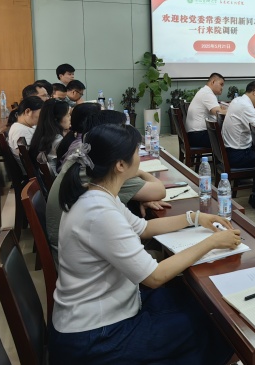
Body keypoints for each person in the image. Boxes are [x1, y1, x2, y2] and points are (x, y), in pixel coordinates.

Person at [48, 124, 238, 365]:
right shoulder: (99, 212)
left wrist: (195, 218)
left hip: (110, 312)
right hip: (95, 336)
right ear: (120, 165)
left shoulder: (97, 193)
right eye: (137, 151)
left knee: (201, 303)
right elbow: (155, 277)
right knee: (217, 325)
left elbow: (144, 228)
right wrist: (212, 242)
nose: (140, 156)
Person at [47, 110, 169, 261]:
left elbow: (142, 227)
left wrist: (192, 218)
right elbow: (159, 191)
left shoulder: (86, 159)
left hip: (74, 251)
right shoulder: (104, 177)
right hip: (84, 258)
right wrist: (138, 176)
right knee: (165, 250)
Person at [29, 98, 71, 174]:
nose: (70, 118)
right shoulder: (57, 140)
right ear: (56, 118)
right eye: (68, 115)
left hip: (47, 177)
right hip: (58, 178)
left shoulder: (43, 134)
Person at [185, 73, 226, 147]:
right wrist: (232, 110)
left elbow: (217, 110)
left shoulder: (204, 91)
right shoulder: (207, 94)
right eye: (221, 84)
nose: (222, 88)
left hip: (195, 134)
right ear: (213, 82)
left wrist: (222, 110)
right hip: (199, 136)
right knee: (231, 138)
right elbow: (219, 113)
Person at [7, 96, 44, 166]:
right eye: (41, 114)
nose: (42, 118)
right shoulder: (20, 131)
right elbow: (34, 157)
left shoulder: (23, 126)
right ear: (28, 111)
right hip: (36, 169)